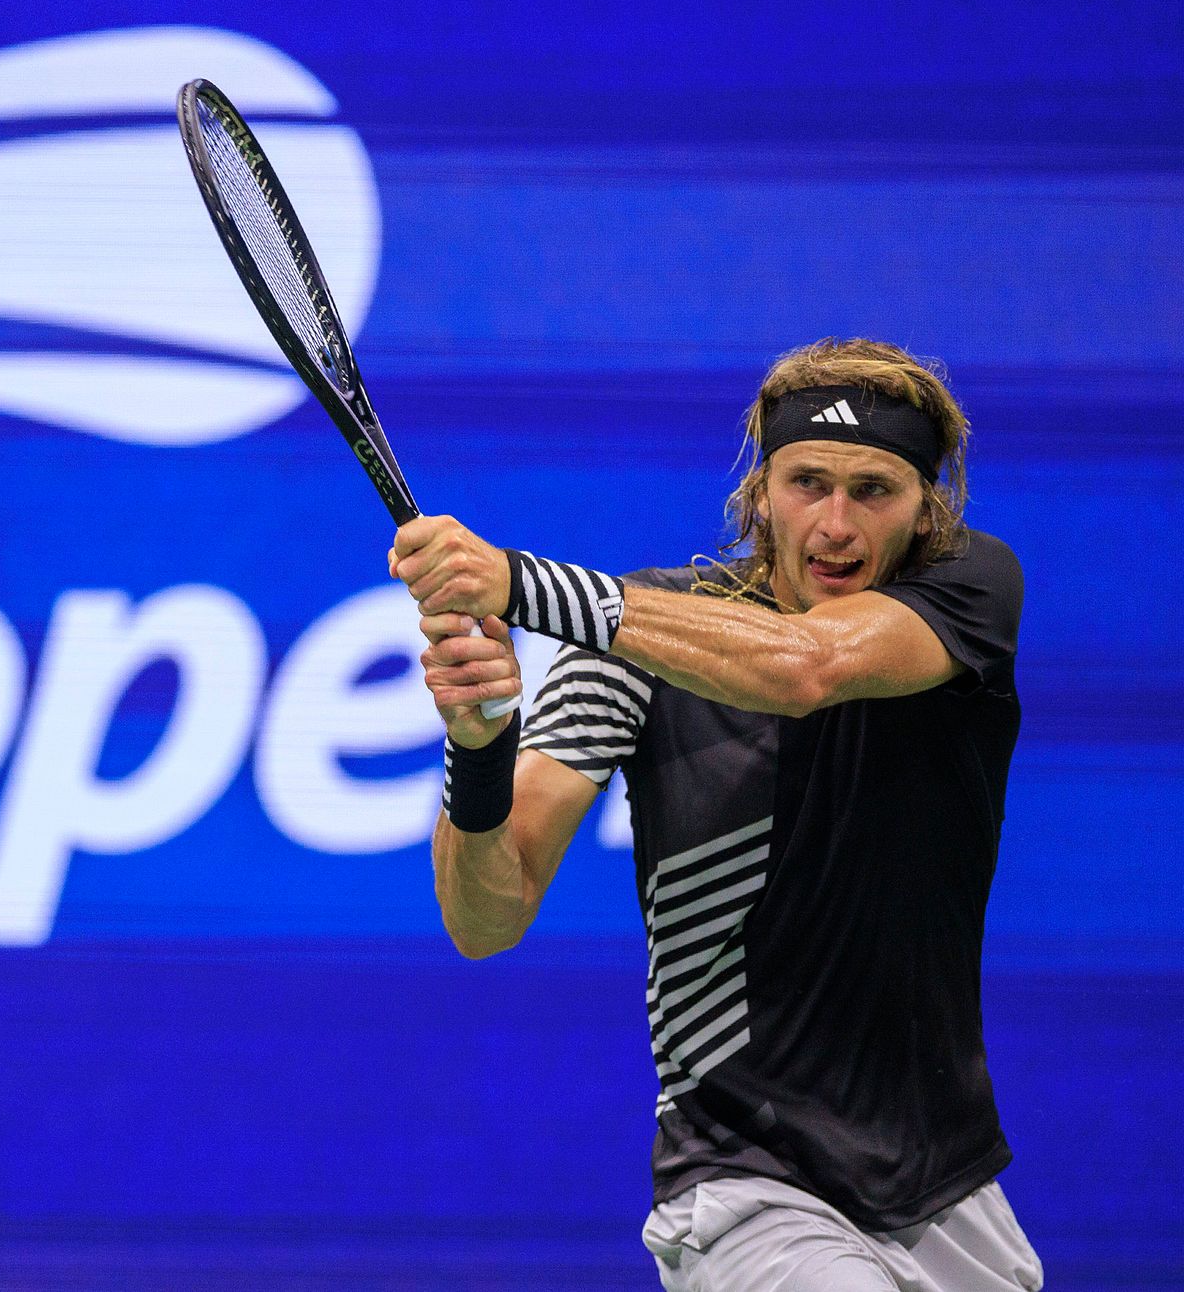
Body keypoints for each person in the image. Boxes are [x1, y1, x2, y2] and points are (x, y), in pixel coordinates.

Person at [388, 340, 1044, 1291]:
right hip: (749, 1186)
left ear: (928, 508)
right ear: (760, 489)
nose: (834, 522)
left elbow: (803, 667)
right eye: (807, 481)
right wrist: (480, 748)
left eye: (875, 489)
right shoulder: (635, 648)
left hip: (947, 1186)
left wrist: (522, 586)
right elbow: (485, 917)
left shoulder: (971, 591)